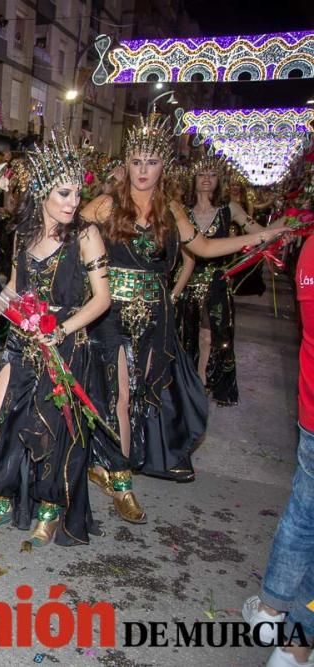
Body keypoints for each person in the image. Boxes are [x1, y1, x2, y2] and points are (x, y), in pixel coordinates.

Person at [80, 116, 290, 522]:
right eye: (137, 161)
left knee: (147, 394)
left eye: (151, 162)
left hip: (156, 314)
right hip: (111, 313)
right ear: (127, 163)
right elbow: (68, 233)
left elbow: (206, 247)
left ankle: (114, 460)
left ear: (163, 166)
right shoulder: (107, 204)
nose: (143, 170)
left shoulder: (171, 207)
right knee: (119, 396)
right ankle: (122, 483)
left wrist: (258, 236)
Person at [0, 136, 111, 546]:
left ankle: (50, 510)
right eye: (64, 193)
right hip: (20, 341)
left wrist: (62, 330)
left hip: (63, 345)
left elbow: (102, 299)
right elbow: (16, 285)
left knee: (49, 433)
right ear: (42, 192)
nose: (73, 201)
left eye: (77, 191)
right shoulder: (24, 234)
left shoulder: (86, 236)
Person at [240, 236, 314, 667]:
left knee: (303, 515)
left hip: (309, 408)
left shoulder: (309, 249)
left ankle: (272, 612)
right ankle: (295, 644)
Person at [173, 155, 265, 407]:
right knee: (184, 335)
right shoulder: (180, 210)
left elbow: (259, 233)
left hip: (216, 281)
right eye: (201, 174)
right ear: (193, 179)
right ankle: (186, 380)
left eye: (211, 174)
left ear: (218, 180)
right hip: (185, 280)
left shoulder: (229, 209)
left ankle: (203, 380)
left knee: (211, 336)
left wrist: (287, 225)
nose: (205, 179)